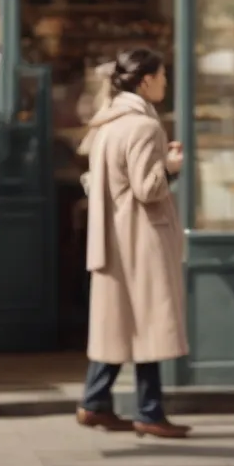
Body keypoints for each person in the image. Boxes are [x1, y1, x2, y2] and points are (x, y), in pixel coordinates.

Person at [74, 48, 191, 439]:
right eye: (161, 76)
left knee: (126, 323)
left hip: (116, 235)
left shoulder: (108, 122)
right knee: (147, 324)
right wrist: (171, 167)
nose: (165, 83)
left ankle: (97, 402)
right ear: (145, 81)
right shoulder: (143, 127)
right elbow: (148, 187)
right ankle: (148, 412)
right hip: (141, 236)